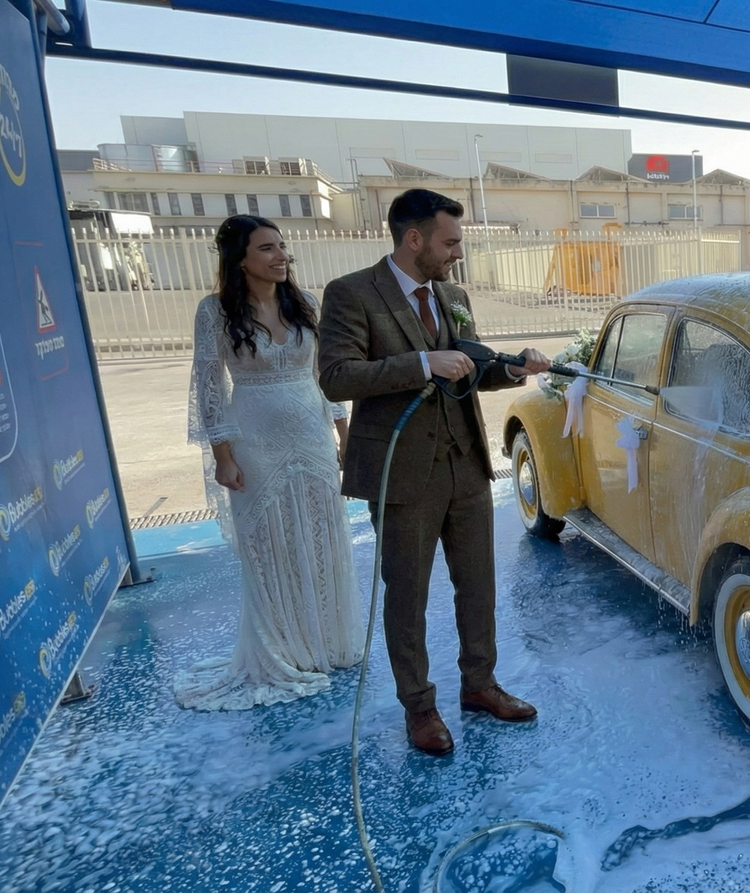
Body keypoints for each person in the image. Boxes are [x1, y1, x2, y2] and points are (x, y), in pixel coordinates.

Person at [317, 189, 551, 756]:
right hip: (400, 473)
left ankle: (480, 685)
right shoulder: (350, 293)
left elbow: (465, 368)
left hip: (464, 465)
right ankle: (419, 708)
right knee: (408, 596)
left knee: (478, 585)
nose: (457, 254)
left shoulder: (452, 293)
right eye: (449, 243)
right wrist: (422, 363)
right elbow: (338, 377)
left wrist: (511, 368)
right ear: (413, 238)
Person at [177, 215, 363, 710]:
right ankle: (280, 648)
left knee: (321, 535)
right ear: (239, 258)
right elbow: (210, 388)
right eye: (267, 248)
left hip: (312, 436)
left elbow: (326, 375)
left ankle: (324, 642)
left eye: (282, 247)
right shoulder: (213, 312)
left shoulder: (304, 304)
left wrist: (344, 433)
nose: (281, 256)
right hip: (254, 442)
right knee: (269, 545)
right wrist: (222, 455)